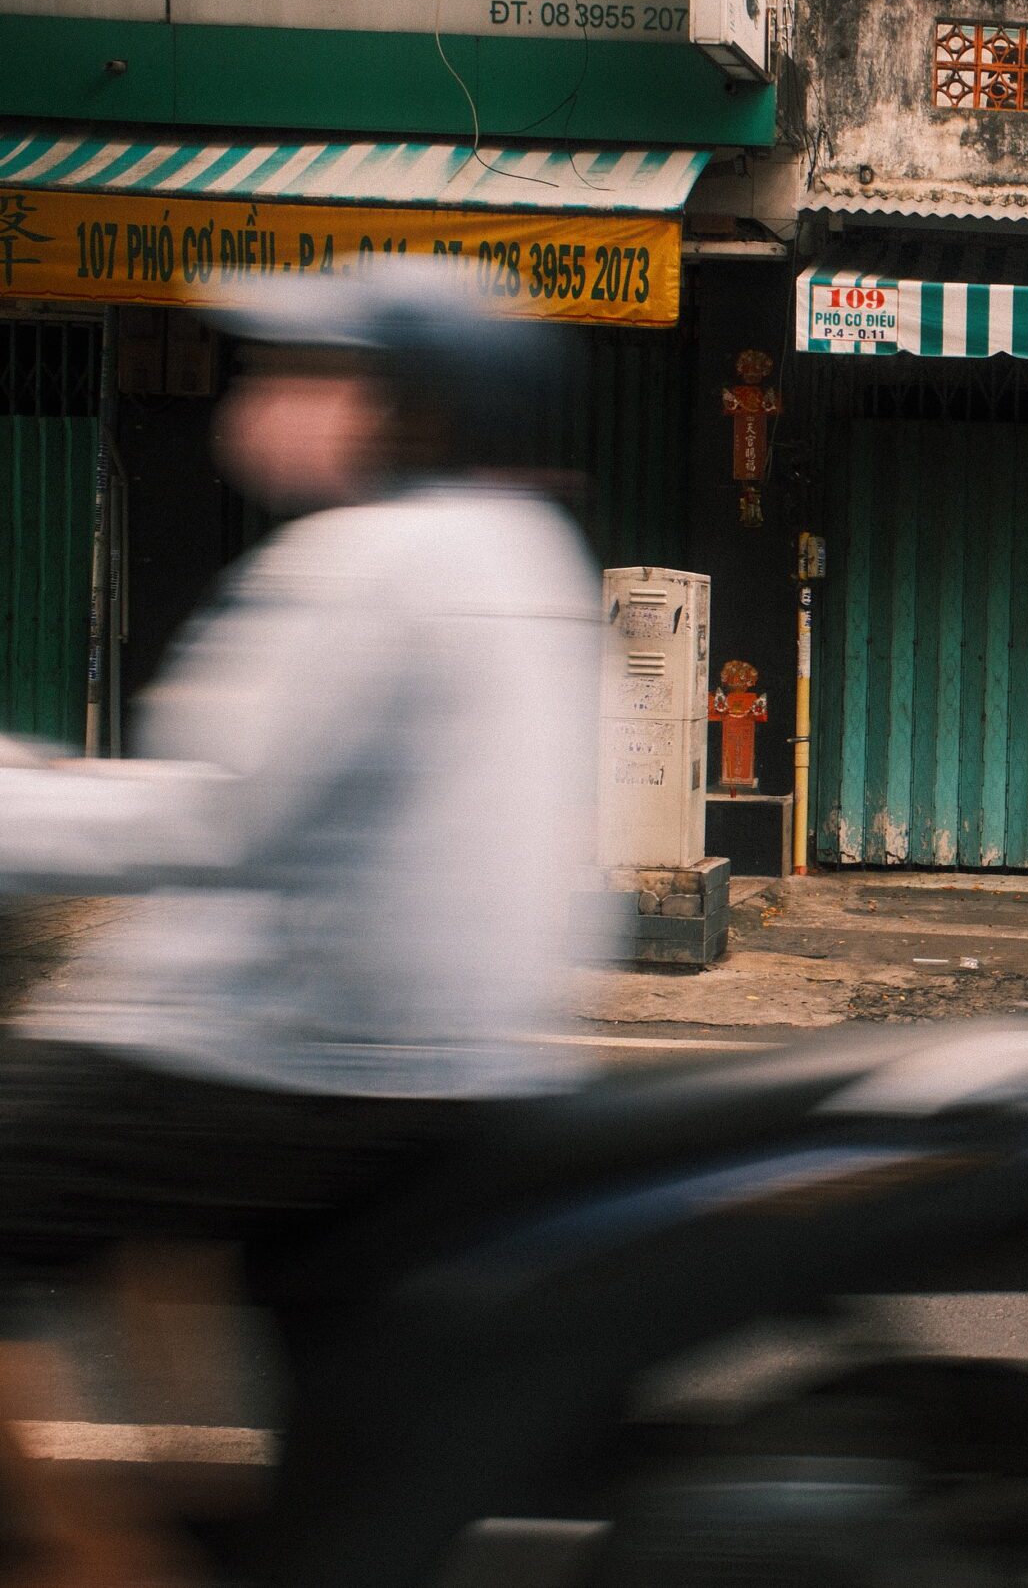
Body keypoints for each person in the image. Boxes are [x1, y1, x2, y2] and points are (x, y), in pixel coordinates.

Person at [0, 263, 604, 1586]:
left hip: (306, 1056)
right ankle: (197, 1494)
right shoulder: (522, 543)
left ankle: (101, 1556)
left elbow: (218, 817)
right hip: (437, 1051)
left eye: (306, 376)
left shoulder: (371, 559)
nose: (263, 405)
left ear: (409, 409)